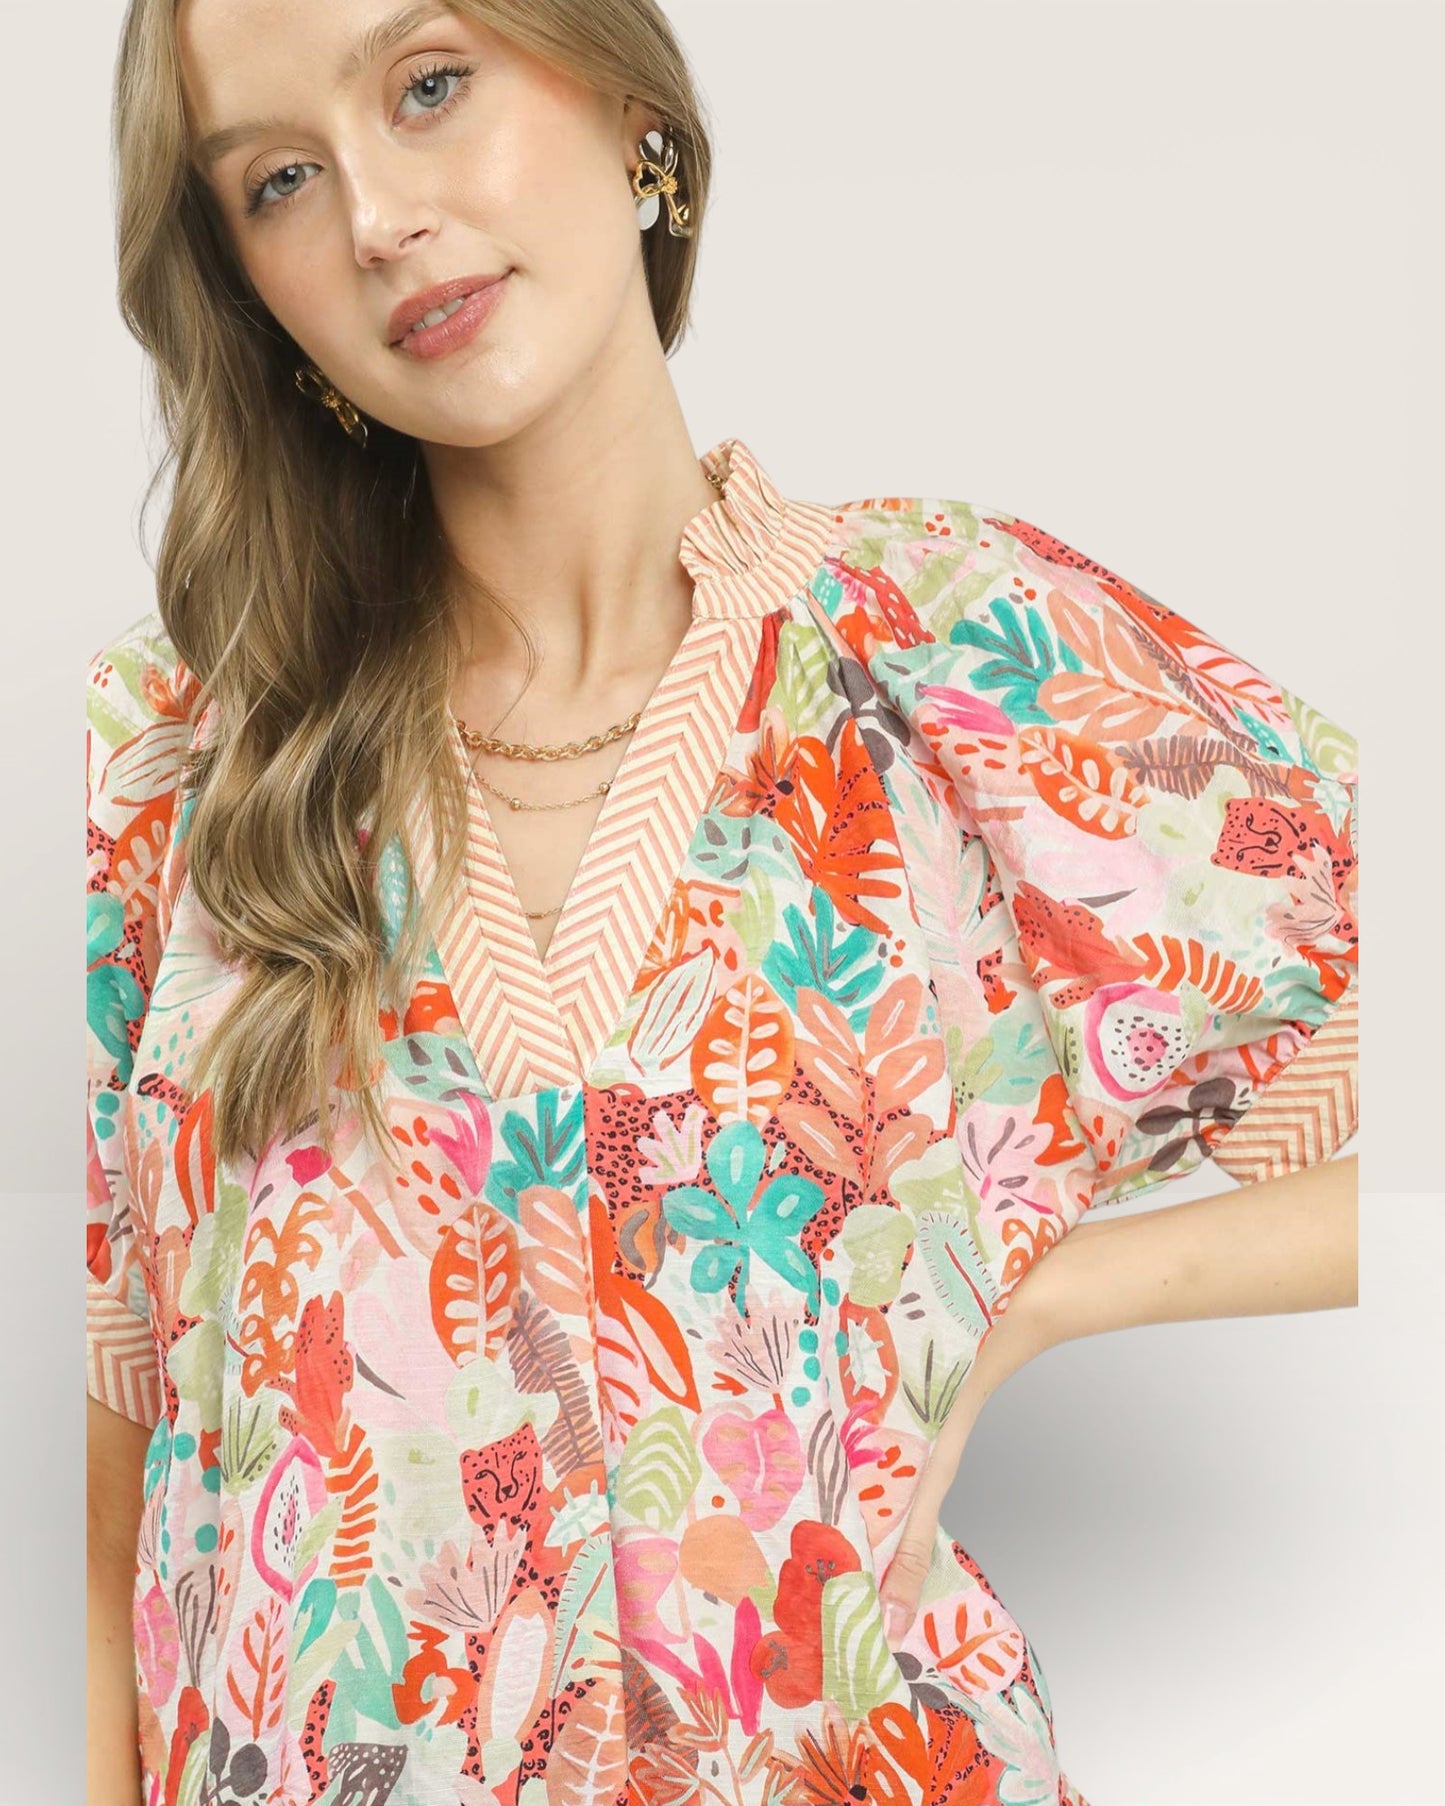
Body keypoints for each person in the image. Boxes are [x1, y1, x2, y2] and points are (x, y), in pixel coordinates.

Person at [85, 0, 1360, 1801]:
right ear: (255, 294)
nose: (377, 213)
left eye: (429, 85)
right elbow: (142, 1468)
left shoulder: (939, 652)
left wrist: (1033, 1300)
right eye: (283, 179)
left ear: (627, 109)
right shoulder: (192, 759)